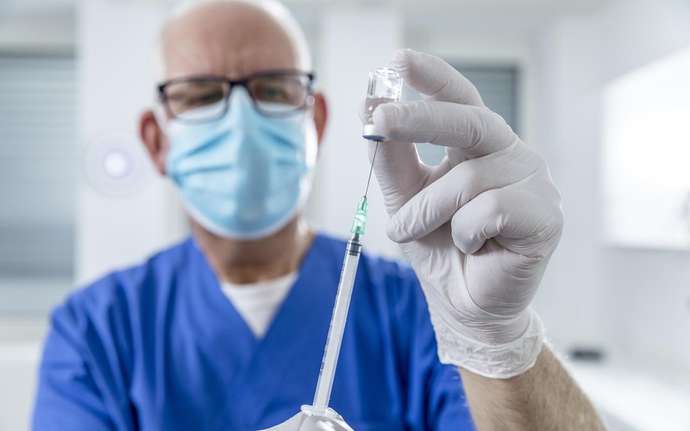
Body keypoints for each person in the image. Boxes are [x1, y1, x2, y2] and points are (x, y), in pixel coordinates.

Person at [32, 0, 605, 430]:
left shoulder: (418, 311)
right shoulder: (95, 329)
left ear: (318, 122)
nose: (241, 122)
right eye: (201, 94)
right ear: (156, 141)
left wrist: (497, 342)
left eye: (273, 89)